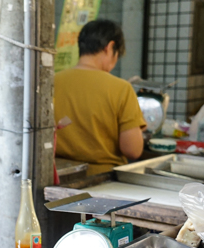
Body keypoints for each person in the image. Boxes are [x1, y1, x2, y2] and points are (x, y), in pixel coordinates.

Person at [54, 19, 147, 176]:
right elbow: (132, 150)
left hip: (57, 176)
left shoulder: (51, 82)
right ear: (110, 48)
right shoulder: (121, 88)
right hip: (104, 182)